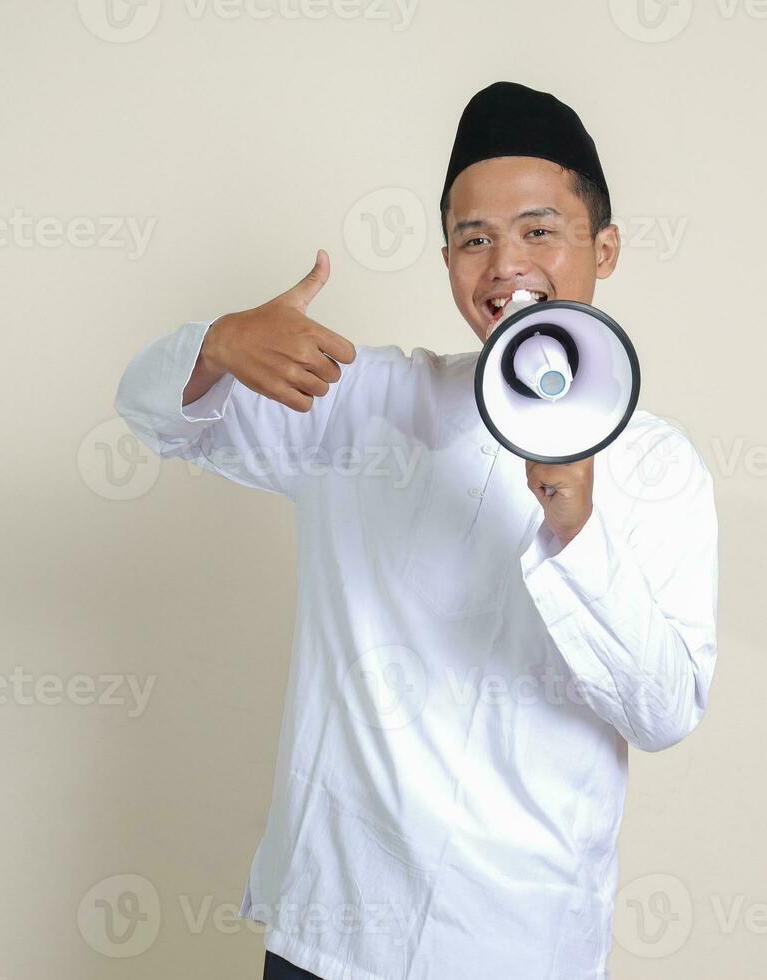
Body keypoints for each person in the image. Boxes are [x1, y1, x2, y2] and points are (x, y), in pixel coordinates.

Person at [114, 80, 719, 980]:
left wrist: (577, 527)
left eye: (539, 230)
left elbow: (665, 711)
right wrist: (217, 345)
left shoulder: (662, 468)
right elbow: (153, 414)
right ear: (447, 259)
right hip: (329, 933)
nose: (505, 262)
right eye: (474, 239)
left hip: (519, 949)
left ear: (607, 246)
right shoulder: (364, 403)